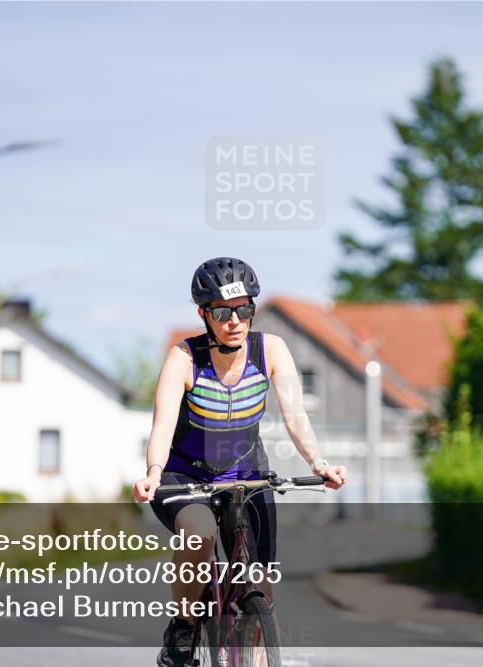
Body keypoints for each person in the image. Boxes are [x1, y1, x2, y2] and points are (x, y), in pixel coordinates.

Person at [131, 257, 347, 667]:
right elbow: (161, 427)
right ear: (204, 314)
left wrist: (319, 462)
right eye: (223, 312)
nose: (235, 320)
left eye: (244, 309)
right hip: (184, 474)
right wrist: (154, 473)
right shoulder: (184, 358)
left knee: (261, 588)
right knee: (200, 533)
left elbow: (295, 415)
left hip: (247, 473)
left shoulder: (271, 350)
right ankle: (182, 625)